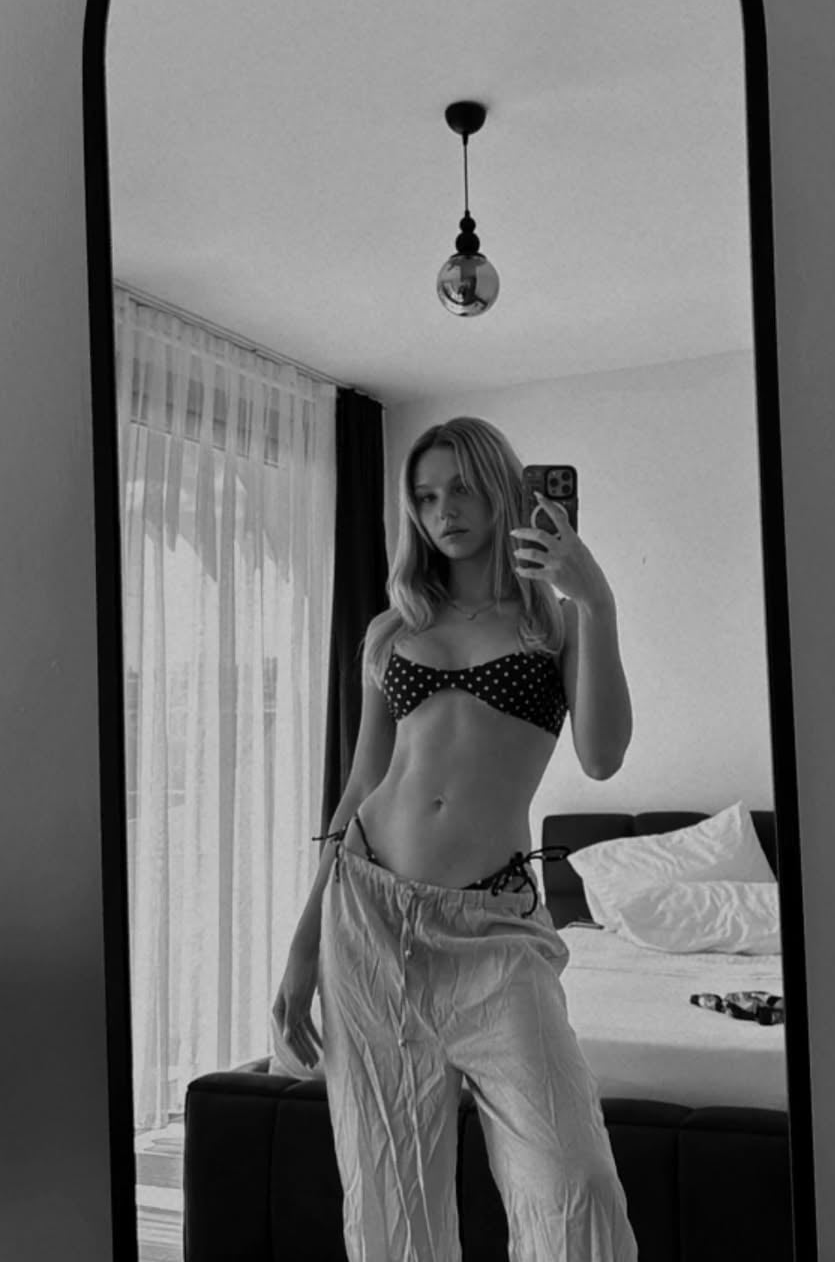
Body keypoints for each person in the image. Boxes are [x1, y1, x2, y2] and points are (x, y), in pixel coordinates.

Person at [270, 416, 637, 1262]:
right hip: (368, 917)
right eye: (427, 496)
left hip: (493, 933)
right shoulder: (393, 630)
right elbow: (359, 788)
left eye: (463, 488)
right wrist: (301, 946)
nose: (445, 511)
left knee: (575, 1180)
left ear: (503, 488)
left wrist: (598, 600)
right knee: (392, 1206)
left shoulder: (559, 625)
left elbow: (604, 757)